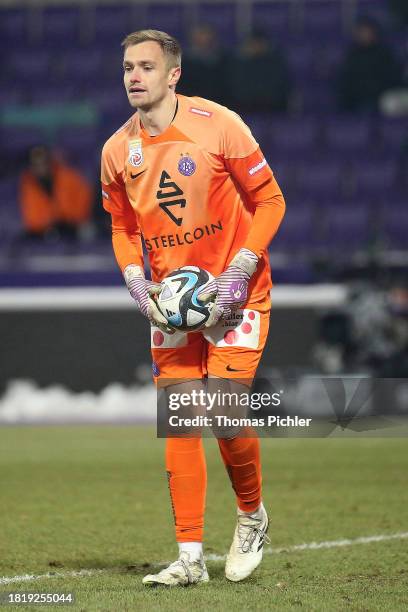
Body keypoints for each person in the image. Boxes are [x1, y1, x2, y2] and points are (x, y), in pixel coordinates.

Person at [101, 30, 285, 586]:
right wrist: (136, 281)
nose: (135, 76)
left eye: (147, 67)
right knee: (181, 421)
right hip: (173, 306)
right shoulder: (116, 151)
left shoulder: (220, 125)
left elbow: (271, 201)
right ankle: (188, 559)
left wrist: (239, 270)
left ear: (173, 74)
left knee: (226, 415)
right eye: (128, 66)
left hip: (235, 295)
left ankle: (252, 515)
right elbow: (121, 226)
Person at [19, 145, 92, 240]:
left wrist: (66, 219)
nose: (41, 168)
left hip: (73, 227)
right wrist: (50, 223)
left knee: (88, 231)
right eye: (36, 164)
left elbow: (84, 207)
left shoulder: (70, 178)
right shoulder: (28, 184)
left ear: (50, 163)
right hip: (43, 233)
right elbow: (32, 220)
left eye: (44, 163)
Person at [337, 17, 403, 112]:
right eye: (362, 32)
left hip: (380, 98)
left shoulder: (384, 53)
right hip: (356, 99)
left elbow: (392, 77)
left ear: (374, 33)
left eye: (367, 31)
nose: (365, 35)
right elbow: (347, 79)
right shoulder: (352, 55)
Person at [226, 30, 291, 113]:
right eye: (254, 43)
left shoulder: (275, 62)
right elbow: (237, 86)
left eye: (259, 43)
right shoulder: (239, 63)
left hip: (271, 106)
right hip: (246, 106)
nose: (257, 46)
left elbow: (280, 86)